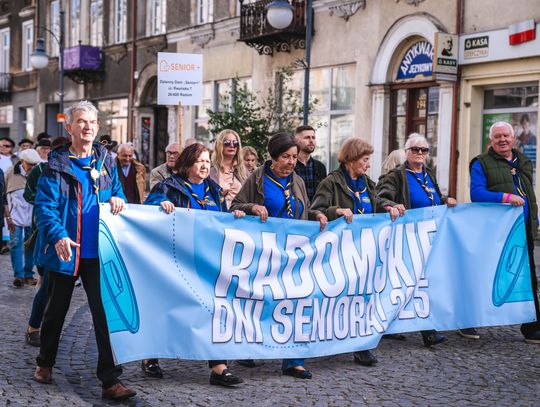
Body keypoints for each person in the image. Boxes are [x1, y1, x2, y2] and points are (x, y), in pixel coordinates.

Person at [32, 101, 136, 401]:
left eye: (92, 121)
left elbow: (117, 191)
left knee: (105, 315)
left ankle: (110, 380)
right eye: (81, 121)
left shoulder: (106, 161)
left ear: (98, 127)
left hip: (100, 252)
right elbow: (44, 207)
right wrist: (58, 236)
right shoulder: (55, 164)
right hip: (66, 251)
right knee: (55, 311)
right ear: (69, 127)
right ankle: (45, 362)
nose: (87, 126)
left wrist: (118, 199)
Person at [145, 142, 245, 387]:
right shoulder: (168, 186)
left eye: (208, 161)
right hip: (175, 259)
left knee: (213, 308)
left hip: (205, 260)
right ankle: (150, 356)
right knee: (168, 308)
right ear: (188, 163)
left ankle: (218, 368)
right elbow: (147, 209)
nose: (205, 166)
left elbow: (220, 220)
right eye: (200, 161)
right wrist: (160, 205)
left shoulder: (214, 190)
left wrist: (234, 216)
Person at [231, 132, 328, 380]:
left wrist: (317, 215)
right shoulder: (258, 178)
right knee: (260, 301)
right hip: (264, 253)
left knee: (295, 301)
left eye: (294, 157)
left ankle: (294, 361)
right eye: (286, 156)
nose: (291, 162)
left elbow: (304, 210)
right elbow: (235, 206)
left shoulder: (297, 181)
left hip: (293, 253)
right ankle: (248, 348)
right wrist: (252, 207)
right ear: (273, 157)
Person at [311, 138, 402, 366]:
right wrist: (336, 210)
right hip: (338, 252)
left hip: (364, 251)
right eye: (365, 159)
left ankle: (361, 347)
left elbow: (377, 201)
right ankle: (327, 339)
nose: (368, 164)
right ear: (351, 159)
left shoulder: (366, 183)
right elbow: (315, 210)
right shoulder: (332, 182)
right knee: (338, 298)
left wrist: (390, 206)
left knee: (363, 298)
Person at [376, 133, 457, 346]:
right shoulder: (396, 175)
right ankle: (427, 331)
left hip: (429, 237)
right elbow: (380, 197)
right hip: (407, 236)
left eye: (424, 150)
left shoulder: (428, 174)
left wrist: (445, 200)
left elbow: (433, 198)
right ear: (406, 152)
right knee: (412, 283)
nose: (420, 153)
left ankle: (394, 325)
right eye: (415, 149)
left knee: (420, 283)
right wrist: (391, 205)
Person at [470, 121, 540, 344]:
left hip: (523, 229)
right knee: (485, 276)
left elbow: (528, 193)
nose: (502, 139)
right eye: (497, 136)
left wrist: (534, 219)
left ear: (513, 138)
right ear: (491, 140)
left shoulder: (524, 161)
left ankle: (532, 326)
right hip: (496, 232)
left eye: (506, 136)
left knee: (528, 277)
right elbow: (476, 194)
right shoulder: (481, 163)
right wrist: (505, 198)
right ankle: (467, 319)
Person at [23, 137, 70, 347]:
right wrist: (46, 204)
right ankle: (34, 327)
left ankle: (47, 328)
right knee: (46, 285)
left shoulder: (74, 171)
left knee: (55, 289)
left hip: (69, 236)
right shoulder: (42, 170)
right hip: (47, 235)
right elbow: (29, 194)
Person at [4, 149, 41, 287]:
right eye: (30, 164)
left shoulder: (38, 173)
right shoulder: (10, 173)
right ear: (22, 161)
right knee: (15, 244)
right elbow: (3, 196)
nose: (32, 167)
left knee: (31, 246)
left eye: (34, 164)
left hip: (33, 218)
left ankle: (28, 274)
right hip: (15, 217)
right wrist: (8, 217)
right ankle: (18, 275)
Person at [209, 129, 248, 208]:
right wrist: (220, 196)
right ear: (219, 145)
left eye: (235, 143)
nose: (232, 146)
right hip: (217, 213)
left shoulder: (243, 171)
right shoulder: (209, 169)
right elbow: (204, 199)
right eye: (227, 143)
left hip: (240, 213)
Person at [294, 125, 327, 202]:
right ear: (296, 141)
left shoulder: (320, 167)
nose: (311, 141)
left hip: (317, 208)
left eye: (313, 137)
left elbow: (324, 193)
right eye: (307, 137)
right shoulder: (291, 165)